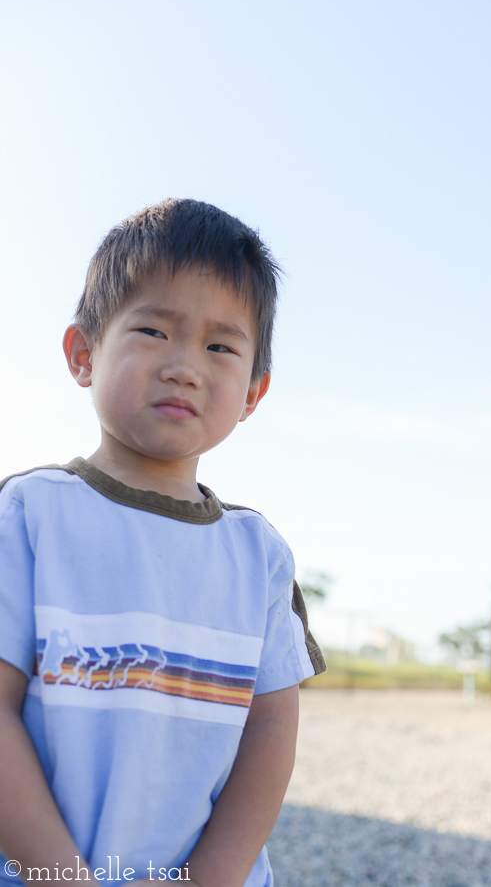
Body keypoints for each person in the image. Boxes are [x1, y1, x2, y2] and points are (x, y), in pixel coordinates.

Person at [0, 199, 326, 887]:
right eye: (152, 329)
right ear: (83, 352)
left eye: (220, 346)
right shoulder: (25, 516)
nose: (185, 366)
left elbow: (269, 734)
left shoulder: (259, 555)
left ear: (252, 392)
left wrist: (208, 880)